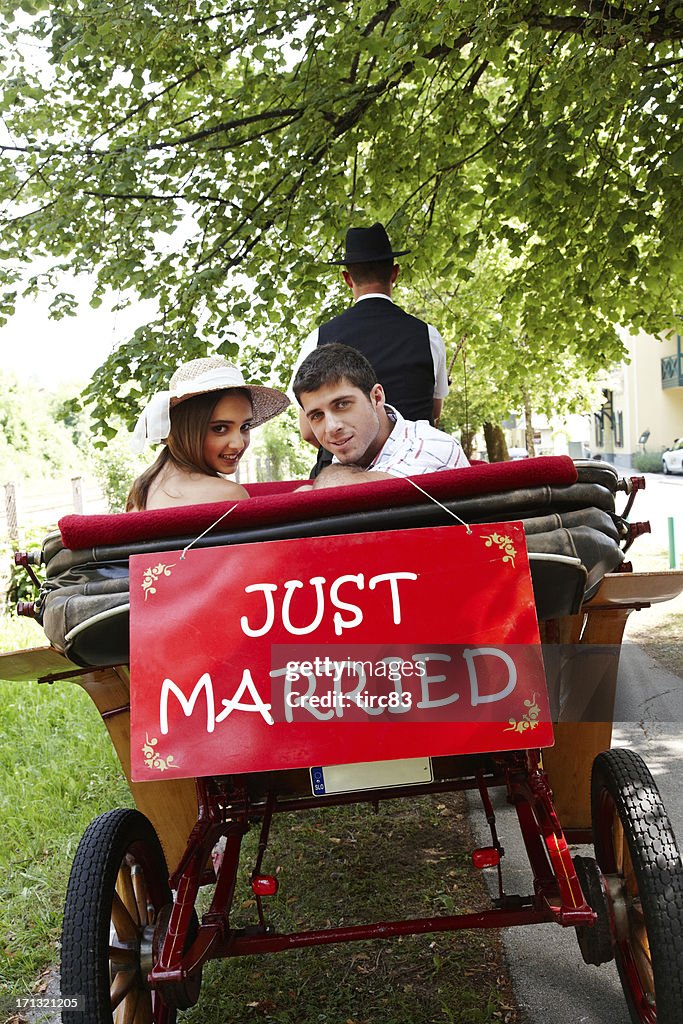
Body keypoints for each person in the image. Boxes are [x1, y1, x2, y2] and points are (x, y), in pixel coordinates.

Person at [288, 221, 449, 474]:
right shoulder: (428, 336)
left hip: (342, 482)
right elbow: (433, 415)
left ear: (347, 279)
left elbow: (309, 431)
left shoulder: (318, 338)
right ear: (394, 273)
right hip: (419, 472)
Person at [292, 344, 468, 489]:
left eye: (342, 404)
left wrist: (318, 485)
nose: (331, 427)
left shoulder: (432, 446)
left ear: (377, 397)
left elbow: (342, 490)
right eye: (317, 415)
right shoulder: (354, 448)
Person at [126, 356, 290, 511]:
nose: (239, 444)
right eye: (219, 428)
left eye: (245, 426)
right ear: (186, 430)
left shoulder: (141, 491)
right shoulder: (229, 495)